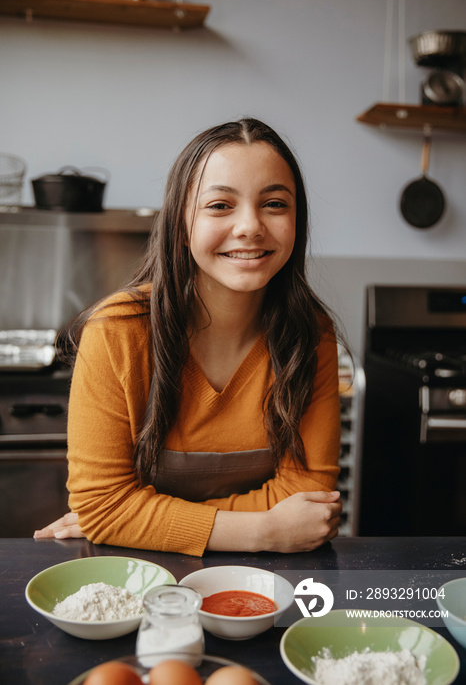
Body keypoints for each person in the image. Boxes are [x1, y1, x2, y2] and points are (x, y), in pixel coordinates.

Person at [34, 117, 342, 556]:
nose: (250, 226)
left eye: (275, 204)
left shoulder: (310, 335)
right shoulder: (116, 332)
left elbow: (308, 499)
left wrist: (138, 518)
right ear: (181, 223)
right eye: (220, 206)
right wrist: (265, 531)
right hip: (140, 578)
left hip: (264, 586)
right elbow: (103, 506)